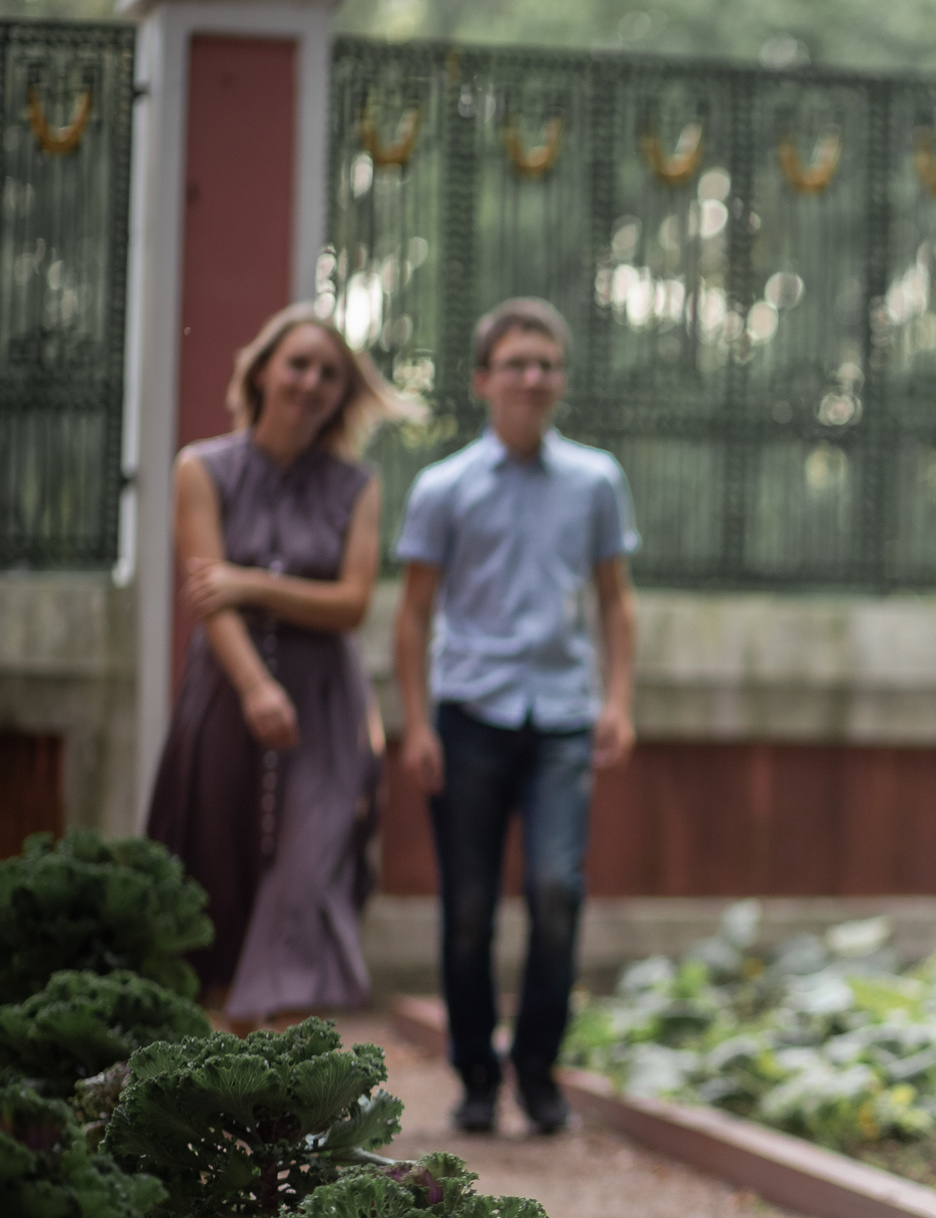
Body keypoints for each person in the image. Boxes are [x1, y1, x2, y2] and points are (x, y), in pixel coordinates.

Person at [391, 298, 638, 1135]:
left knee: (555, 889)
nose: (532, 377)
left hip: (562, 718)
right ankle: (472, 1076)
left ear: (560, 379)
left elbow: (616, 601)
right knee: (467, 908)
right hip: (468, 718)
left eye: (546, 363)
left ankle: (536, 1072)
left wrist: (618, 701)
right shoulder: (443, 487)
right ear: (482, 379)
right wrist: (416, 723)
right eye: (516, 363)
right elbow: (413, 615)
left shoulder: (596, 480)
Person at [145, 303, 417, 1023]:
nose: (311, 382)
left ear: (342, 393)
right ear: (262, 369)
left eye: (330, 373)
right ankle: (220, 1064)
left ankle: (285, 1074)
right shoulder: (200, 467)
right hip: (227, 689)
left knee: (311, 868)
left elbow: (351, 603)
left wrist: (253, 581)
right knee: (216, 865)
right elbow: (211, 599)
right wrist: (256, 687)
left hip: (327, 703)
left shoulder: (356, 486)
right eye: (298, 363)